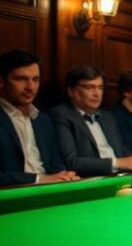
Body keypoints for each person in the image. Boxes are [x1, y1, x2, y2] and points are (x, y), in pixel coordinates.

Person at [51, 66, 132, 176]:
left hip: (119, 175)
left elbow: (120, 149)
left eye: (100, 88)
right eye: (90, 87)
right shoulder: (61, 115)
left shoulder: (107, 117)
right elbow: (72, 162)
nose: (97, 94)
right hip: (93, 179)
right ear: (71, 91)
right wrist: (116, 163)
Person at [0, 50, 77, 186]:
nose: (30, 87)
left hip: (50, 190)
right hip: (13, 195)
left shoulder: (43, 119)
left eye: (35, 79)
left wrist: (65, 176)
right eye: (21, 79)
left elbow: (55, 163)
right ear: (1, 81)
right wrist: (38, 179)